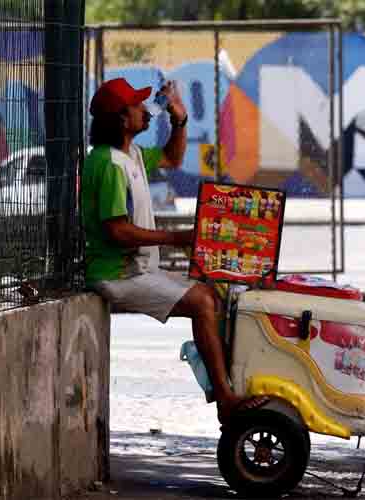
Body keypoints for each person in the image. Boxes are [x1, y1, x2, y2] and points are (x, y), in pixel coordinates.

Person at [82, 78, 268, 422]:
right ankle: (226, 399)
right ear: (122, 119)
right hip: (117, 274)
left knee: (213, 296)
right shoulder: (109, 164)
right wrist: (175, 238)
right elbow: (117, 231)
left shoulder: (131, 154)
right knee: (202, 301)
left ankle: (228, 384)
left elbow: (172, 156)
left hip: (137, 269)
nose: (145, 110)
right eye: (138, 106)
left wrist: (178, 118)